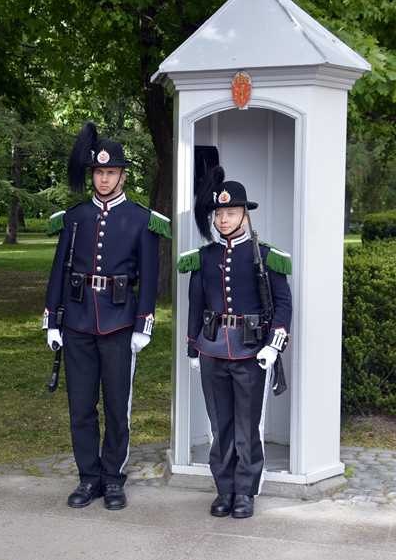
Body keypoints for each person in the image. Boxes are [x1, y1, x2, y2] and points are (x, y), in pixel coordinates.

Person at [43, 122, 171, 511]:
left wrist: (143, 323)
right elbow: (58, 269)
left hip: (119, 322)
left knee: (117, 406)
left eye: (110, 172)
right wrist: (52, 319)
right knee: (80, 405)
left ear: (123, 175)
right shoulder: (76, 215)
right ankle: (89, 478)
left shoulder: (141, 218)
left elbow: (149, 275)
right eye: (98, 172)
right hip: (78, 320)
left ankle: (114, 479)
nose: (103, 178)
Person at [178, 166, 292, 519]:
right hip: (212, 349)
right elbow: (195, 305)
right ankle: (224, 489)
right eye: (219, 213)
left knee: (246, 426)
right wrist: (193, 348)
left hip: (250, 351)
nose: (224, 219)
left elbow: (283, 304)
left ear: (244, 214)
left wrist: (273, 345)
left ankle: (245, 491)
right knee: (219, 426)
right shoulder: (204, 257)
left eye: (231, 212)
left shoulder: (266, 255)